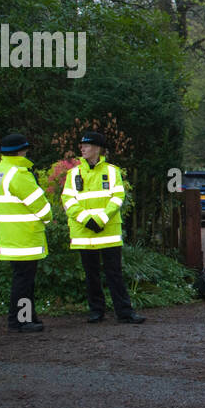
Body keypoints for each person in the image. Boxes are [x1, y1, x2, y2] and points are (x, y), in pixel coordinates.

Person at [61, 131, 146, 324]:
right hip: (84, 232)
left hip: (107, 232)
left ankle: (124, 312)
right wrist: (86, 219)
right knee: (91, 275)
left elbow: (117, 197)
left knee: (114, 273)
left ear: (98, 148)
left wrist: (99, 219)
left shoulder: (111, 171)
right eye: (81, 145)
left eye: (87, 145)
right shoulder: (73, 173)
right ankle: (96, 311)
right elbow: (67, 200)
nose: (82, 148)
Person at [0, 133, 52, 333]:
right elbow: (42, 208)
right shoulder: (19, 174)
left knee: (22, 278)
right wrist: (48, 217)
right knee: (24, 281)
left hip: (8, 236)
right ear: (21, 151)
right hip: (26, 236)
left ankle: (28, 317)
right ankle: (20, 320)